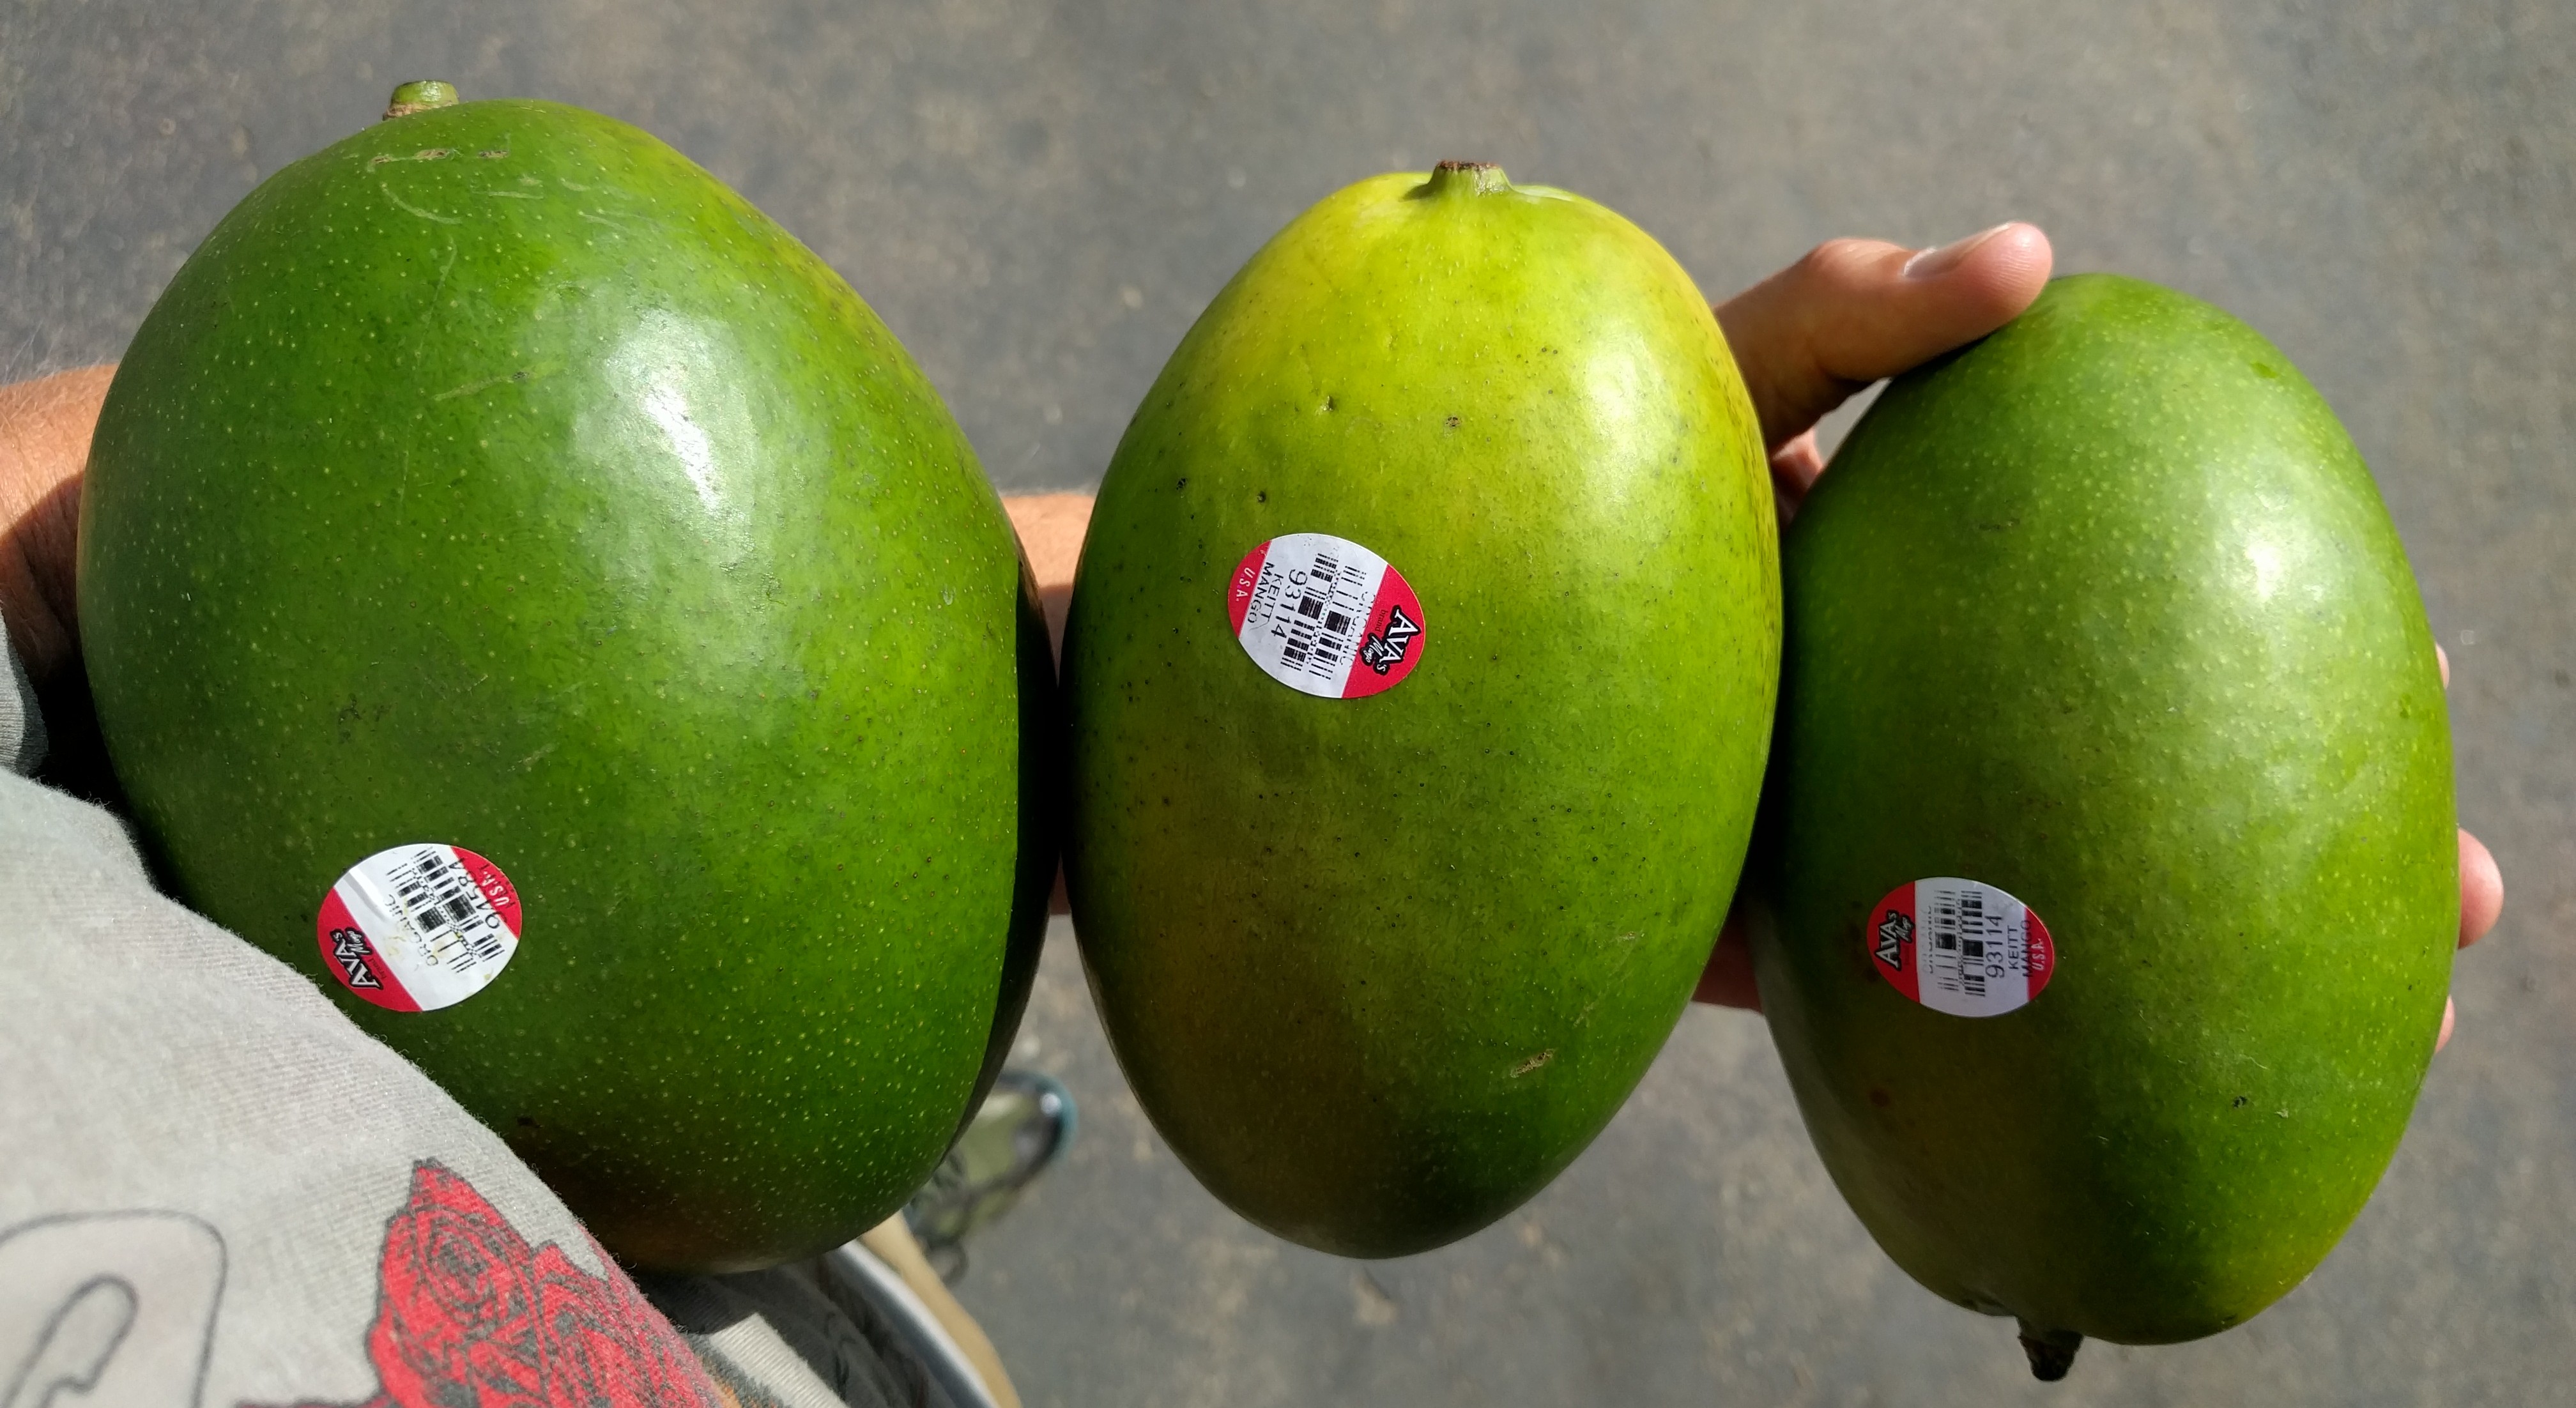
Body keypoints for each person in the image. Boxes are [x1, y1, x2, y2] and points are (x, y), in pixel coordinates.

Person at [0, 224, 2504, 1408]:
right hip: (671, 1172)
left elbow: (89, 532)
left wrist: (1137, 712)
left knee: (806, 1137)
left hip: (649, 1159)